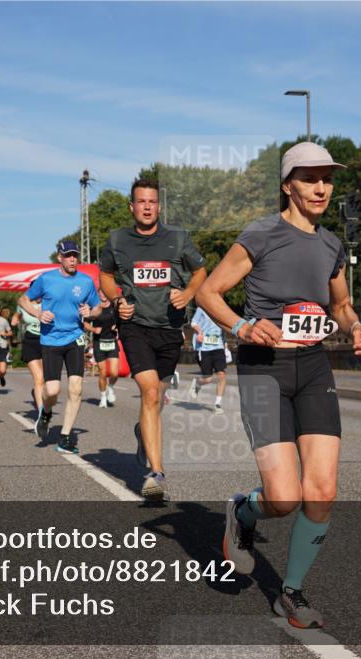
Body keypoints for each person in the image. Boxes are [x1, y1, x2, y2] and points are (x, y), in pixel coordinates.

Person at [196, 142, 361, 629]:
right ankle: (243, 511)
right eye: (309, 178)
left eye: (327, 179)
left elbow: (340, 306)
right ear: (287, 185)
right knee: (283, 497)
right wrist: (242, 326)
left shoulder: (331, 245)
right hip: (263, 368)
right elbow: (209, 292)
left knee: (322, 491)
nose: (321, 188)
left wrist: (357, 329)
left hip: (313, 367)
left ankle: (290, 592)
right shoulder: (262, 234)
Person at [98, 176, 207, 500]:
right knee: (148, 392)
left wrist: (187, 293)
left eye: (152, 202)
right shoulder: (118, 239)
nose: (147, 207)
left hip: (169, 328)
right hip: (135, 326)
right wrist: (117, 300)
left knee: (156, 398)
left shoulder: (177, 238)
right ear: (131, 206)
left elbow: (200, 272)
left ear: (159, 206)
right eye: (141, 202)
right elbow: (105, 275)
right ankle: (156, 474)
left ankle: (142, 432)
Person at [19, 241, 101, 454]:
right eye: (68, 255)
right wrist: (38, 313)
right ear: (60, 258)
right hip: (51, 340)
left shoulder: (86, 281)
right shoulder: (46, 279)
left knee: (76, 388)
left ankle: (65, 437)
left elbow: (98, 307)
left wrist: (91, 313)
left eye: (75, 255)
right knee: (53, 390)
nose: (73, 259)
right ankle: (45, 412)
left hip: (75, 338)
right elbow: (23, 299)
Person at [188, 306, 227, 414]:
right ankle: (197, 383)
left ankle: (217, 404)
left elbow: (224, 325)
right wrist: (199, 332)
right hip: (204, 347)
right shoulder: (202, 308)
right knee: (208, 378)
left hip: (219, 346)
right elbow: (193, 323)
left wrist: (225, 343)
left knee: (222, 374)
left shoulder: (222, 307)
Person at [84, 291, 120, 408]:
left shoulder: (114, 306)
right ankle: (103, 397)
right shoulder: (94, 307)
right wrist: (94, 330)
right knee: (103, 373)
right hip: (99, 343)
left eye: (105, 293)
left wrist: (117, 326)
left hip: (112, 342)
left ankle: (111, 387)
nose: (103, 295)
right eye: (101, 293)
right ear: (98, 294)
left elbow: (121, 319)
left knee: (114, 372)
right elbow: (86, 323)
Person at [13, 296, 45, 418]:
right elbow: (16, 315)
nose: (39, 296)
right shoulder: (24, 304)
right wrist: (15, 320)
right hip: (31, 341)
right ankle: (42, 413)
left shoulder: (50, 302)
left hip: (48, 342)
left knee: (47, 379)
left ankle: (35, 392)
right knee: (39, 378)